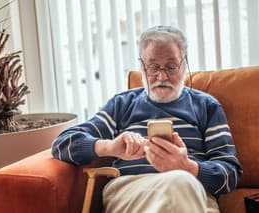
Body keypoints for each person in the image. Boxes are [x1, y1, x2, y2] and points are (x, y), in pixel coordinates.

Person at [52, 25, 242, 212]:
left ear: (184, 65)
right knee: (180, 183)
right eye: (153, 67)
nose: (161, 76)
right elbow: (62, 143)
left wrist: (188, 167)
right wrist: (110, 147)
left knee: (181, 183)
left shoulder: (207, 106)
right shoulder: (122, 104)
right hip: (132, 193)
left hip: (193, 193)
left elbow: (230, 175)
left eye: (171, 66)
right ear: (142, 66)